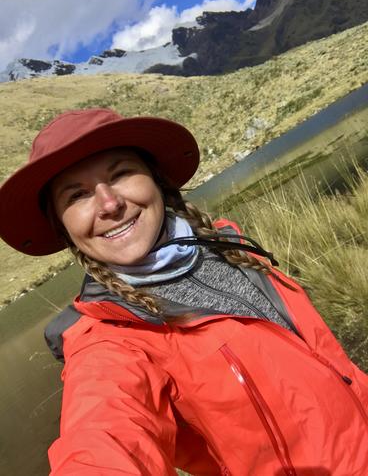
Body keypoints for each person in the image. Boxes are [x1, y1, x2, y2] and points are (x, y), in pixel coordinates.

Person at [0, 108, 367, 476]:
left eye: (122, 173)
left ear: (156, 180)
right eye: (77, 195)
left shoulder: (231, 247)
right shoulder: (108, 342)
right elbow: (103, 438)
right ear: (63, 229)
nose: (110, 204)